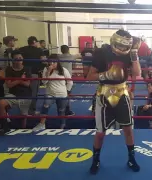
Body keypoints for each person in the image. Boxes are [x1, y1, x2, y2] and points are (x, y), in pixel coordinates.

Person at [86, 29, 141, 174]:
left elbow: (137, 73)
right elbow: (89, 76)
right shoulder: (102, 53)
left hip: (122, 93)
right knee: (100, 132)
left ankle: (131, 158)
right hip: (104, 94)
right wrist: (106, 75)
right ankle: (95, 160)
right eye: (121, 46)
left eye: (126, 47)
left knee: (128, 129)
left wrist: (134, 54)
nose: (123, 49)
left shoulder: (130, 53)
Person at [33, 54, 73, 131]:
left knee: (61, 111)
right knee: (45, 105)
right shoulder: (46, 69)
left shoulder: (64, 70)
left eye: (54, 62)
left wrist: (67, 92)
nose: (52, 64)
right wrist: (48, 71)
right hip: (50, 93)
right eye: (50, 62)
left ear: (57, 62)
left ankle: (62, 126)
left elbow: (70, 82)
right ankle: (42, 124)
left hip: (62, 94)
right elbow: (44, 82)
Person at [0, 50, 32, 136]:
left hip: (25, 94)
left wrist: (15, 81)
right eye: (17, 58)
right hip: (13, 94)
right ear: (13, 60)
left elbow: (27, 84)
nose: (19, 60)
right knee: (1, 103)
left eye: (20, 58)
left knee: (24, 117)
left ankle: (23, 129)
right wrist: (20, 79)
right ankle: (5, 126)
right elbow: (9, 85)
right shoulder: (9, 69)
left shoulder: (27, 69)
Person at [20, 36, 46, 115]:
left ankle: (23, 110)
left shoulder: (22, 49)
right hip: (34, 73)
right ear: (34, 42)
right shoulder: (39, 50)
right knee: (33, 93)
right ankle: (31, 111)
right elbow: (44, 60)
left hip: (23, 73)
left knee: (24, 92)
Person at [58, 45, 77, 116]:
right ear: (68, 50)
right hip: (68, 78)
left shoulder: (58, 57)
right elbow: (75, 65)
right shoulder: (71, 56)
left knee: (61, 93)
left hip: (59, 77)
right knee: (67, 94)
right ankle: (67, 110)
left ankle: (61, 110)